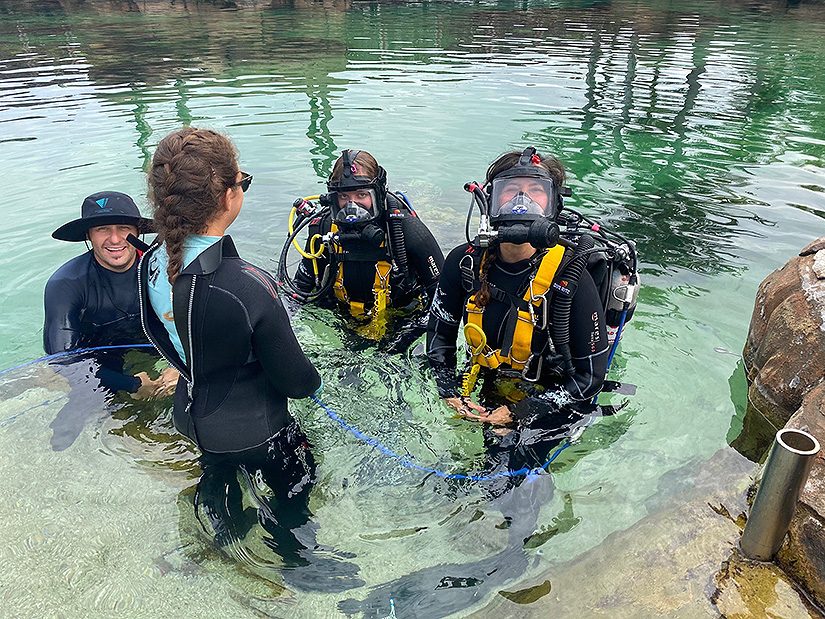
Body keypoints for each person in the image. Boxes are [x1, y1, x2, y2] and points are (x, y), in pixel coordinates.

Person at [139, 127, 356, 588]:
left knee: (217, 469)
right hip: (255, 428)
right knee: (295, 483)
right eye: (243, 182)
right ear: (226, 196)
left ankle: (220, 530)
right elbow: (298, 382)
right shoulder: (246, 286)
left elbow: (161, 332)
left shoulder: (150, 260)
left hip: (192, 412)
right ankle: (298, 563)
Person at [426, 147, 610, 481]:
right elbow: (439, 340)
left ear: (553, 205)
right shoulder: (463, 262)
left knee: (514, 481)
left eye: (535, 191)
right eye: (510, 190)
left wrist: (519, 413)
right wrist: (448, 390)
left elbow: (588, 378)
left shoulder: (570, 274)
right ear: (490, 200)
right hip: (489, 383)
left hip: (550, 392)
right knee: (451, 477)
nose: (521, 200)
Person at [291, 149, 444, 343]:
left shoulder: (406, 230)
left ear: (378, 194)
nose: (352, 206)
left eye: (361, 195)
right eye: (344, 197)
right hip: (339, 319)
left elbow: (442, 298)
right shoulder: (322, 229)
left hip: (401, 321)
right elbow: (298, 291)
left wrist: (404, 341)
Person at [44, 191, 176, 401]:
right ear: (88, 235)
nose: (115, 239)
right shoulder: (66, 284)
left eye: (123, 228)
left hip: (156, 345)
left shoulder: (163, 270)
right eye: (102, 229)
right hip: (100, 356)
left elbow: (200, 326)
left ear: (138, 231)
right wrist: (131, 385)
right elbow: (63, 360)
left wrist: (177, 367)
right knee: (81, 417)